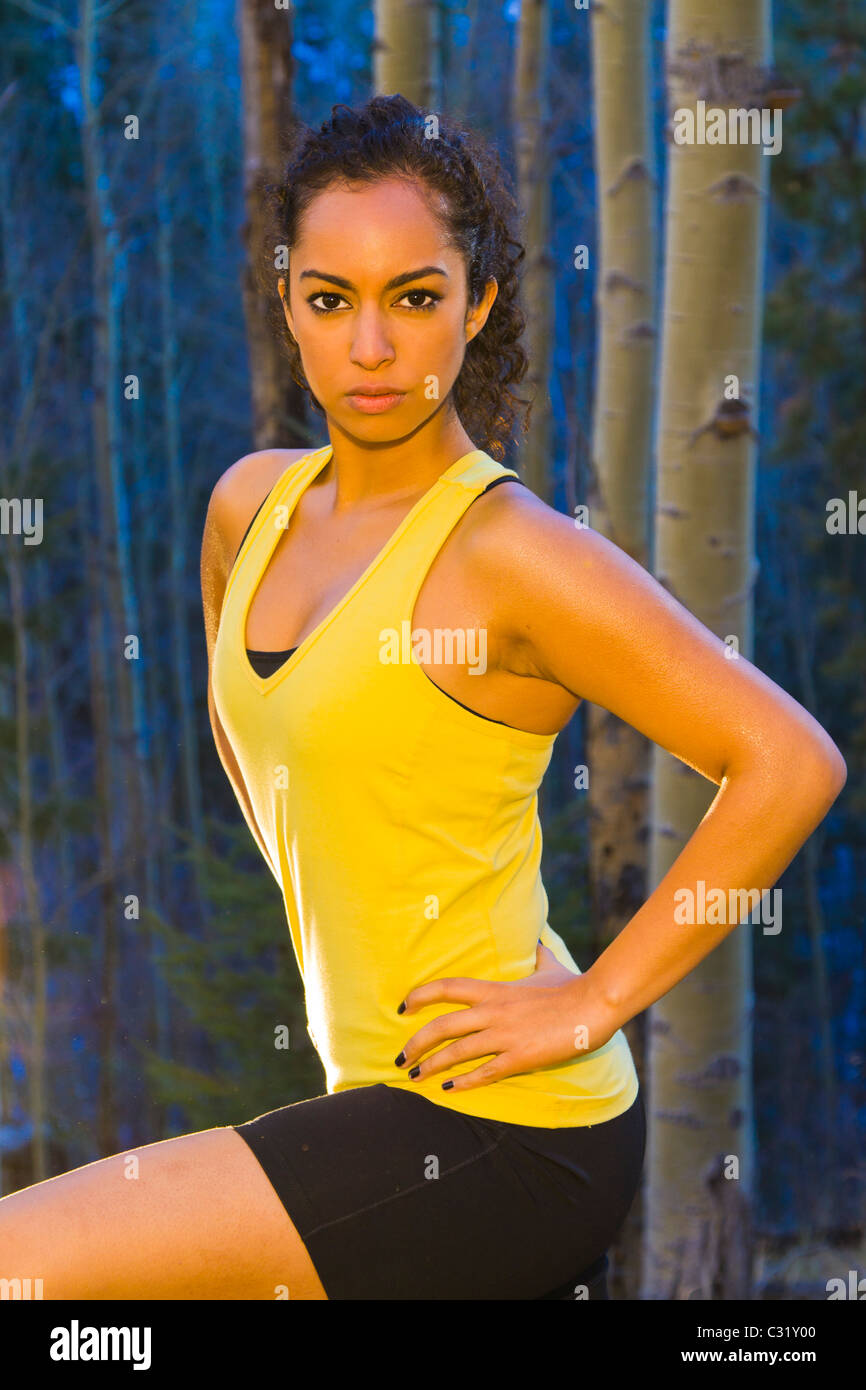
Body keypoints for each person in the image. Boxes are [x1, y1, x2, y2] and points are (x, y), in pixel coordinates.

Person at [0, 95, 845, 1301]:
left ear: (478, 301)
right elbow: (265, 748)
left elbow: (788, 759)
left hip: (513, 1132)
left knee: (19, 1264)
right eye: (331, 300)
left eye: (416, 296)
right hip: (374, 1105)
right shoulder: (251, 506)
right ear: (287, 299)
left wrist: (593, 1000)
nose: (372, 347)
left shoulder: (515, 554)